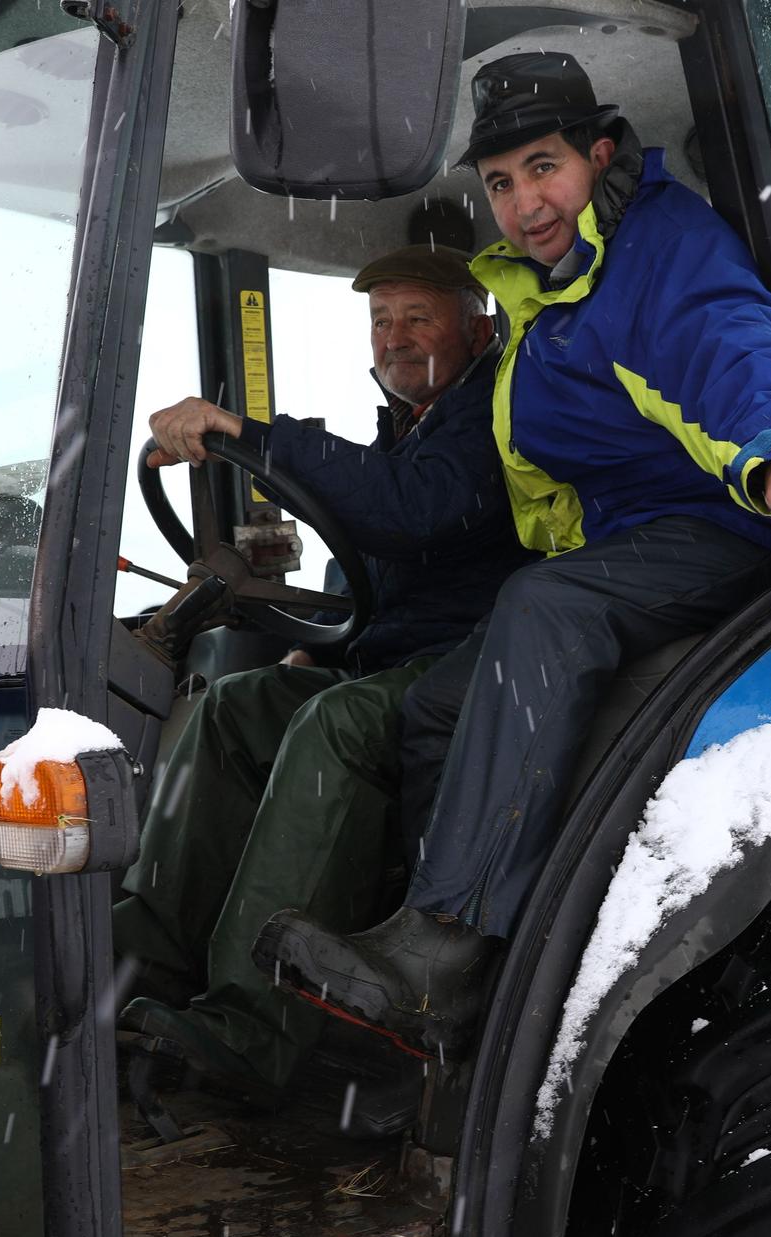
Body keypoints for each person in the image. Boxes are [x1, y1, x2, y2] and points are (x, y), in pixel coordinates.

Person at [255, 52, 771, 1059]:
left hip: (720, 529)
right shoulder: (544, 294)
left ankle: (450, 946)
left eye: (542, 167)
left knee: (544, 605)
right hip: (629, 543)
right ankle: (429, 948)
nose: (523, 201)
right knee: (435, 705)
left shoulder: (657, 248)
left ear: (596, 154)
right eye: (499, 181)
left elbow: (729, 344)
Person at [111, 245, 535, 1099]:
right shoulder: (407, 429)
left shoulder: (497, 408)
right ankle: (142, 961)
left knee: (331, 724)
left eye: (418, 317)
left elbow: (415, 511)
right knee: (238, 704)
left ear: (477, 326)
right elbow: (385, 554)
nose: (395, 337)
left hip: (474, 673)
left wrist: (246, 433)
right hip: (394, 655)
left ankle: (253, 1027)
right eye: (382, 321)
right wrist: (324, 637)